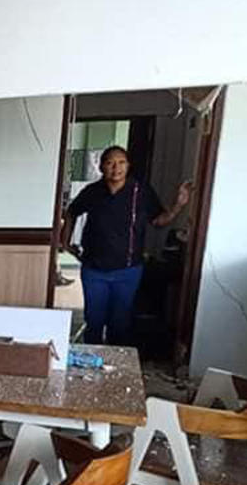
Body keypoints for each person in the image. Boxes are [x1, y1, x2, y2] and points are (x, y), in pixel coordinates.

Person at [62, 145, 190, 345]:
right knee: (94, 322)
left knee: (119, 324)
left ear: (128, 166)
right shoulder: (92, 191)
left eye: (121, 162)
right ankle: (89, 366)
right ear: (102, 167)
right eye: (110, 163)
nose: (116, 168)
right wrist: (65, 242)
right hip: (94, 270)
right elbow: (71, 212)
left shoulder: (141, 191)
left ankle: (116, 369)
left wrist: (179, 205)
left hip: (128, 271)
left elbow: (159, 221)